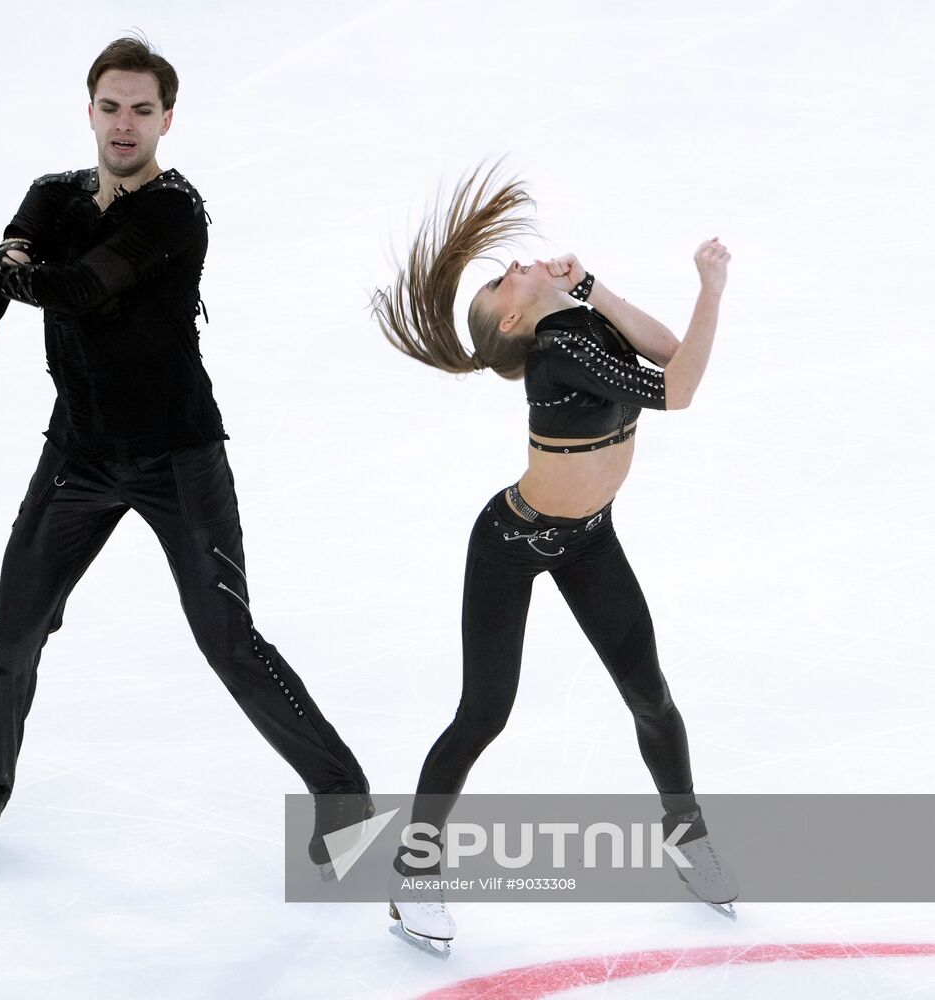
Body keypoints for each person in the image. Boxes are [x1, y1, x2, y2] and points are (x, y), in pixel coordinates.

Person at [0, 36, 370, 872]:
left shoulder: (173, 211)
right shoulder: (53, 195)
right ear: (89, 109)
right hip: (79, 455)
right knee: (15, 626)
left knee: (228, 640)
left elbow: (80, 287)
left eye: (143, 110)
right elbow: (21, 258)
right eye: (112, 107)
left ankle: (345, 800)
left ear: (168, 118)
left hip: (177, 458)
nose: (125, 124)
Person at [370, 165, 737, 957]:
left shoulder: (577, 324)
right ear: (511, 311)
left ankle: (689, 842)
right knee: (484, 713)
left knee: (650, 695)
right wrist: (710, 288)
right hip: (511, 542)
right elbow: (679, 390)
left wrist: (594, 284)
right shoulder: (554, 352)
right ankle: (413, 876)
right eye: (509, 275)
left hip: (588, 537)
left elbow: (666, 353)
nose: (523, 263)